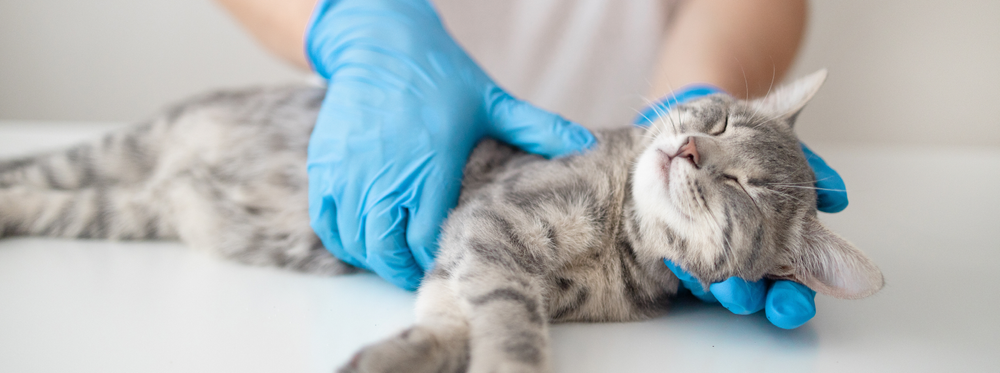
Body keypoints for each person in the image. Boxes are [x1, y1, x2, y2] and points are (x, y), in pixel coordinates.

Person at [215, 0, 848, 329]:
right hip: (379, 131)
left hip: (638, 153)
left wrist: (696, 102)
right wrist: (355, 22)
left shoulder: (686, 154)